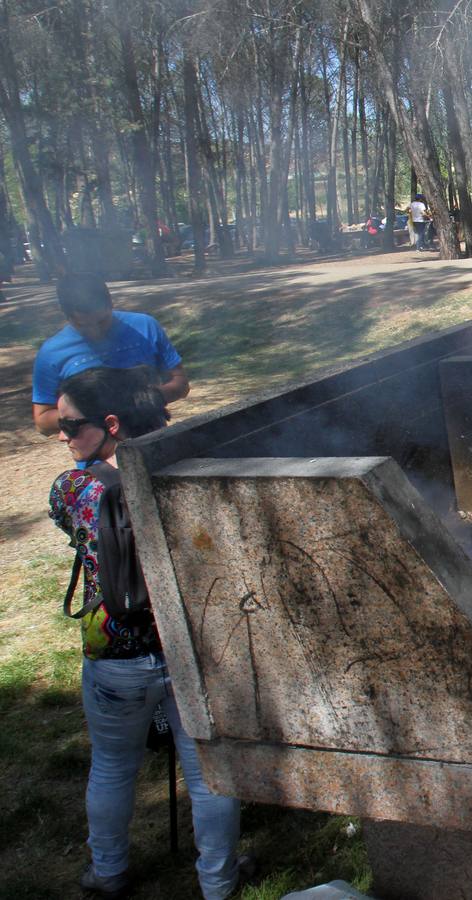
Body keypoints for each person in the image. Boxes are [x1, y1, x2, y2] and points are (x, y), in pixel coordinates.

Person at [49, 367, 247, 899]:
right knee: (208, 771)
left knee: (112, 766)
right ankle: (218, 882)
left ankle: (108, 873)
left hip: (114, 656)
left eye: (70, 426)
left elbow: (70, 529)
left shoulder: (72, 488)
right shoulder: (182, 473)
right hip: (190, 647)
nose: (61, 435)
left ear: (110, 423)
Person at [32, 273, 189, 436]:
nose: (95, 331)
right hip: (97, 456)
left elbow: (181, 384)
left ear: (110, 303)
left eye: (102, 321)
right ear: (67, 315)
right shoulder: (51, 353)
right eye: (83, 325)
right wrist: (89, 412)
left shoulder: (144, 327)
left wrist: (148, 398)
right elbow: (42, 422)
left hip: (153, 439)